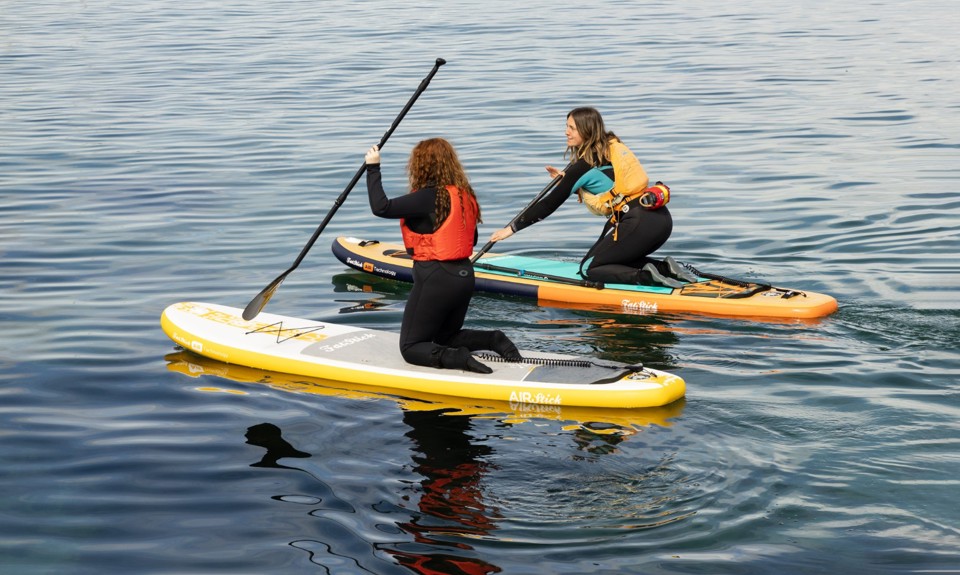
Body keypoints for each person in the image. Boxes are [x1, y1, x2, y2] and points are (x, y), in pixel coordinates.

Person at [488, 107, 697, 287]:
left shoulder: (582, 166)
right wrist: (567, 182)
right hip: (660, 219)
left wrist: (511, 228)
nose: (566, 132)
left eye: (572, 128)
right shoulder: (609, 150)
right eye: (566, 126)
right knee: (610, 260)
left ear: (586, 130)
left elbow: (549, 204)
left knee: (590, 267)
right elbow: (605, 183)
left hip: (639, 223)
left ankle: (644, 276)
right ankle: (665, 267)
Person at [365, 138, 522, 374]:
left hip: (435, 277)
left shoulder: (428, 197)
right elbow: (472, 239)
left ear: (421, 165)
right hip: (464, 276)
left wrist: (373, 167)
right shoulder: (464, 196)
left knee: (410, 347)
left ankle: (459, 358)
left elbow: (381, 207)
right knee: (445, 336)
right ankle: (493, 340)